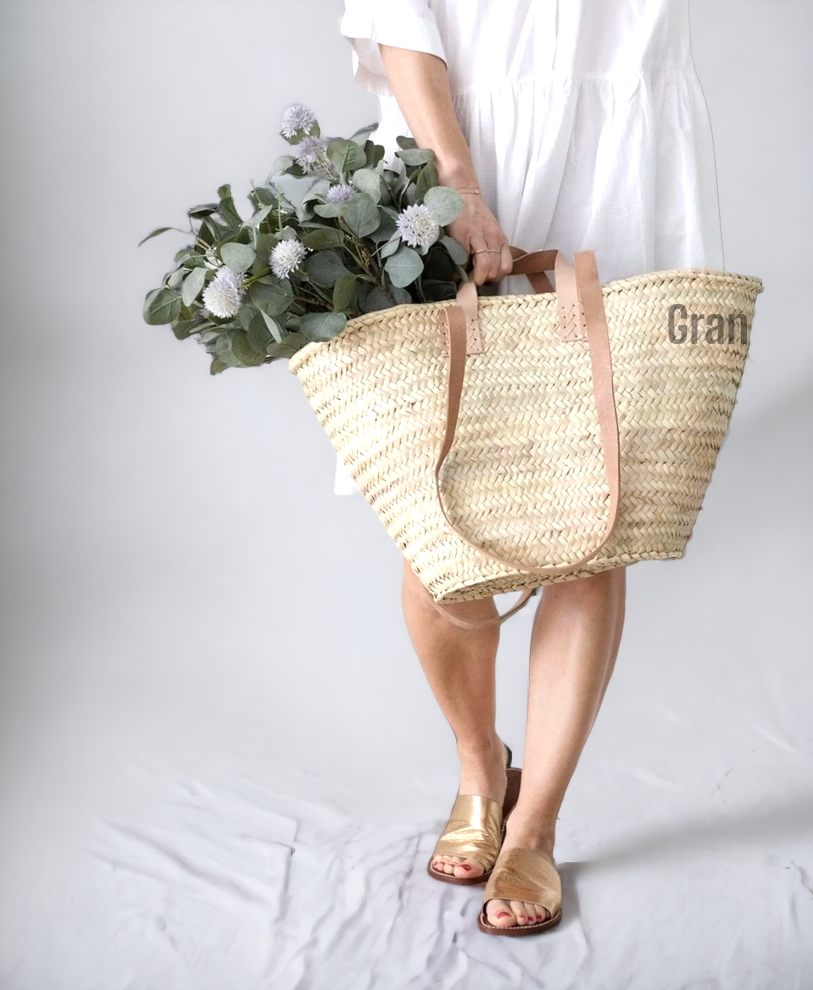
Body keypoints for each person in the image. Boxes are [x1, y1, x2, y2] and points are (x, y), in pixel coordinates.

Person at [336, 0, 724, 935]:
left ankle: (535, 827)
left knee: (595, 516)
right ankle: (481, 768)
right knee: (438, 520)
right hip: (451, 142)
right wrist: (455, 179)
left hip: (621, 143)